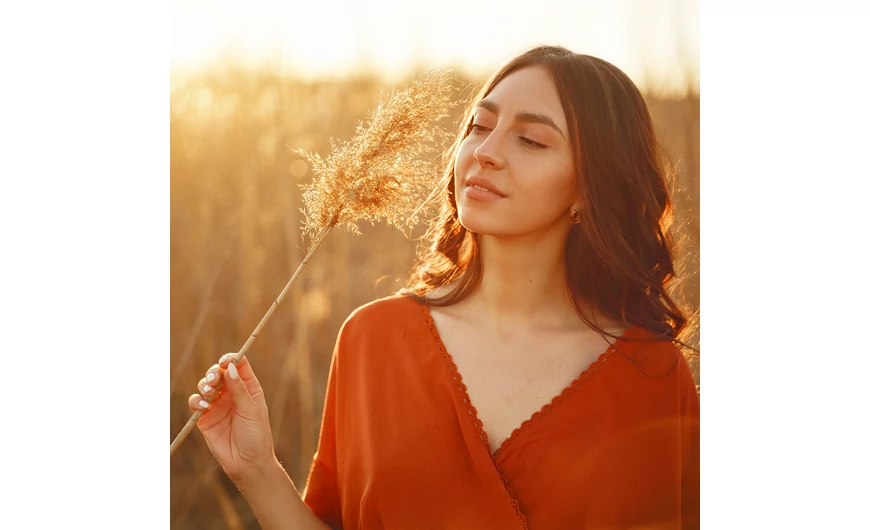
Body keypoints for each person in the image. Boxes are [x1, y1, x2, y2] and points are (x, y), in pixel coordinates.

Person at [188, 45, 700, 529]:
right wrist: (255, 469)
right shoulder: (373, 339)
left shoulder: (651, 374)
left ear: (590, 188)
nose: (485, 152)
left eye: (531, 140)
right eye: (479, 126)